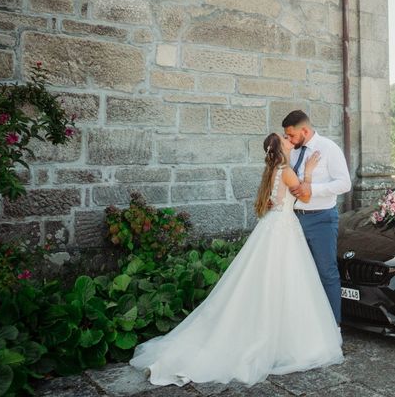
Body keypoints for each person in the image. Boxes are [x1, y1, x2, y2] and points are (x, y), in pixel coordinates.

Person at [129, 133, 343, 387]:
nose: (289, 140)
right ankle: (280, 337)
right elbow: (305, 196)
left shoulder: (272, 170)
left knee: (267, 280)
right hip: (284, 230)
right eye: (285, 139)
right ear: (281, 148)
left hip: (271, 226)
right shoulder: (286, 170)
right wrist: (308, 171)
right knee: (284, 280)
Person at [282, 110, 352, 326]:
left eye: (291, 135)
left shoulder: (329, 149)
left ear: (304, 130)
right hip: (294, 219)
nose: (289, 140)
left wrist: (313, 189)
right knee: (299, 273)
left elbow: (344, 184)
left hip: (321, 219)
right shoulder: (292, 152)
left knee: (327, 272)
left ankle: (333, 327)